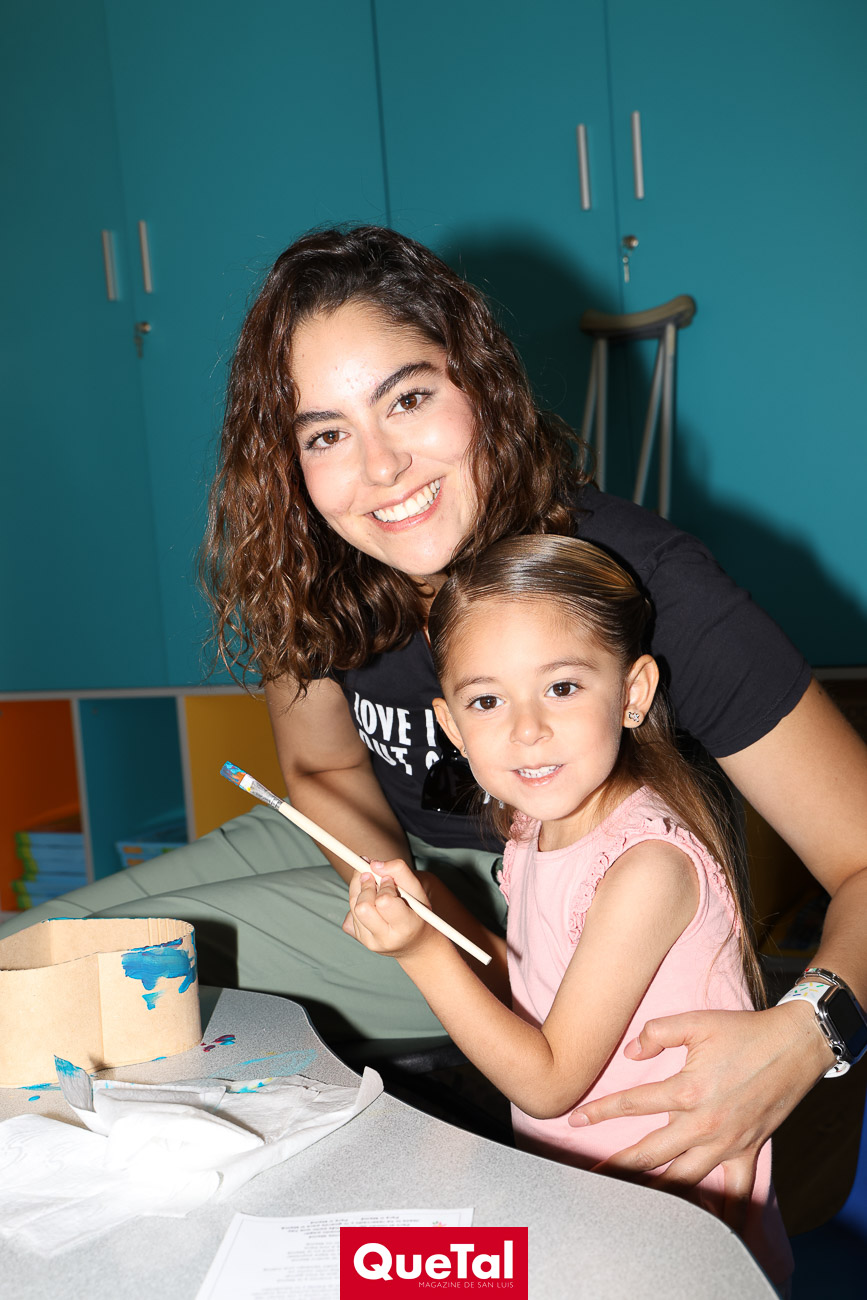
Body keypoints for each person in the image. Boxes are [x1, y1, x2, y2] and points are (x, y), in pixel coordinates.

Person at [3, 225, 865, 1216]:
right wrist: (400, 895)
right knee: (33, 950)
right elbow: (325, 775)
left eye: (407, 399)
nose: (380, 468)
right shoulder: (313, 564)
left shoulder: (641, 582)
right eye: (325, 434)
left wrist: (810, 1032)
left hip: (567, 886)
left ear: (479, 383)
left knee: (87, 980)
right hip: (383, 850)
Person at [344, 534, 793, 1287]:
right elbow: (535, 985)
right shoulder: (535, 826)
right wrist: (440, 916)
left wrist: (421, 954)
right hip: (586, 1209)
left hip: (676, 1251)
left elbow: (549, 1082)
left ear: (633, 693)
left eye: (561, 687)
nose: (526, 729)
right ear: (451, 727)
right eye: (487, 701)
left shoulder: (645, 869)